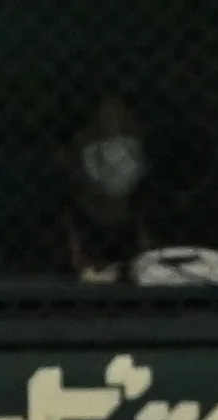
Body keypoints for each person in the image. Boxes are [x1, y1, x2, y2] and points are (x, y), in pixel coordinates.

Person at [59, 96, 152, 283]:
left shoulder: (138, 146)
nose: (110, 121)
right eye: (105, 116)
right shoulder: (84, 147)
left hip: (128, 215)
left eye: (116, 116)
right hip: (93, 213)